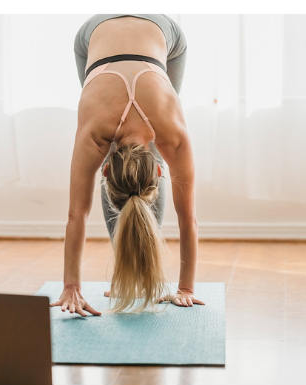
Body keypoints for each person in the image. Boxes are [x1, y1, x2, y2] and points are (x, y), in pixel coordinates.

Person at [50, 14, 203, 316]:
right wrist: (186, 289)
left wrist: (71, 287)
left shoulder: (98, 135)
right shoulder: (171, 136)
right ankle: (131, 272)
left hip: (162, 37)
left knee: (128, 148)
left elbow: (75, 216)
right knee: (124, 149)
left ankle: (142, 271)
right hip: (93, 38)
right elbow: (189, 218)